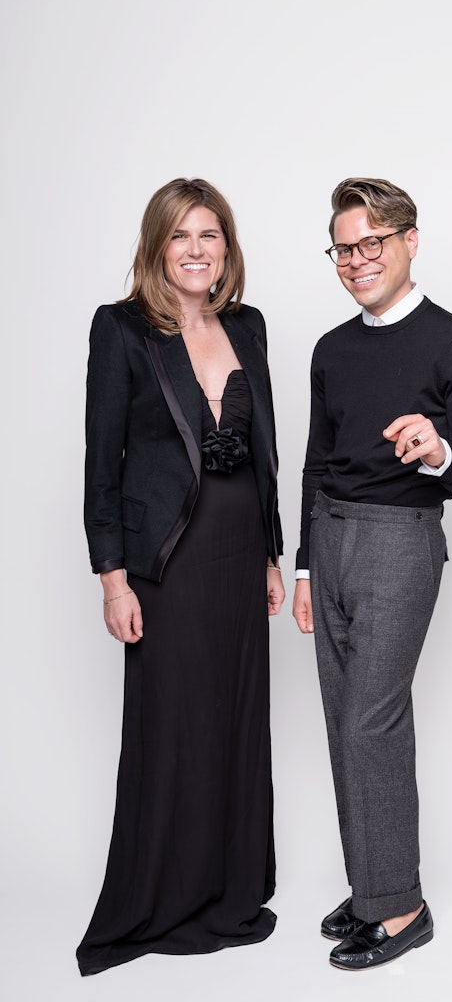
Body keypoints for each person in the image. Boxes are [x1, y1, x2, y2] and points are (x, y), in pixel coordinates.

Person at [292, 177, 452, 971]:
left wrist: (439, 450)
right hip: (333, 537)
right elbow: (316, 461)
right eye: (343, 248)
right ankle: (374, 889)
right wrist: (307, 565)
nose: (355, 261)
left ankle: (402, 910)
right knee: (343, 717)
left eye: (370, 244)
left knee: (369, 721)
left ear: (410, 240)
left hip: (400, 540)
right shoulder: (331, 349)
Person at [77, 178, 284, 976]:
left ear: (226, 247)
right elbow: (102, 464)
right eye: (181, 237)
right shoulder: (123, 330)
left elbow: (265, 449)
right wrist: (112, 579)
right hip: (167, 557)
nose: (198, 250)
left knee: (234, 718)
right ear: (157, 246)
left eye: (211, 236)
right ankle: (162, 898)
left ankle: (229, 890)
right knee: (174, 726)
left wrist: (271, 552)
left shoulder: (249, 325)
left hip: (239, 557)